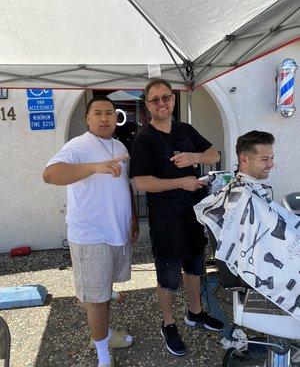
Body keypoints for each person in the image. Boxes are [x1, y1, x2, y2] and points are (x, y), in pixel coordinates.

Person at [129, 78, 224, 357]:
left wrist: (194, 156)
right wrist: (181, 182)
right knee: (168, 276)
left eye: (166, 98)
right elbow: (141, 183)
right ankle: (168, 324)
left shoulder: (185, 129)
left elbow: (214, 153)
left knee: (195, 267)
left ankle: (195, 313)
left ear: (173, 99)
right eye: (155, 99)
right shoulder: (144, 139)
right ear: (147, 105)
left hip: (193, 214)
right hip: (166, 220)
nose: (162, 103)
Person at [43, 96, 139, 367]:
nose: (104, 118)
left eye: (109, 112)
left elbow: (124, 185)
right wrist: (94, 167)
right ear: (88, 118)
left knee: (104, 291)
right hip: (90, 235)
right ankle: (102, 355)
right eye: (98, 113)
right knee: (96, 297)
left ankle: (105, 335)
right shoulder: (78, 145)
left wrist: (132, 218)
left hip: (116, 231)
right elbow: (50, 174)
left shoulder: (118, 145)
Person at [195, 130, 300, 320]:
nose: (272, 164)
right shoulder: (243, 196)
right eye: (265, 159)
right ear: (244, 159)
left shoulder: (246, 190)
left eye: (272, 158)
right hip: (258, 269)